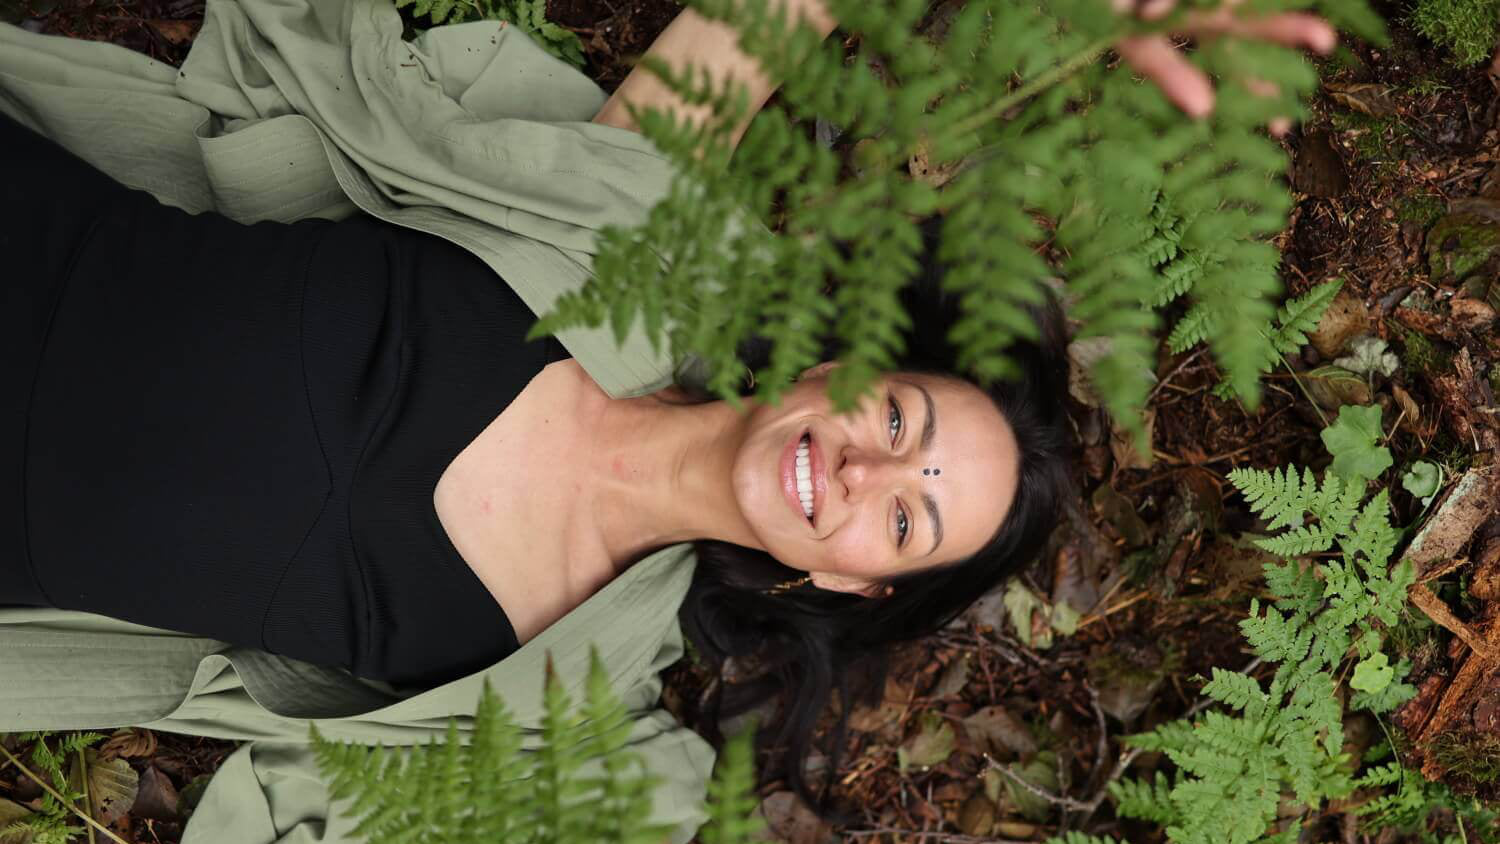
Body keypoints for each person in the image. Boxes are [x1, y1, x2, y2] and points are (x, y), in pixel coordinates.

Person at [0, 0, 1337, 837]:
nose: (866, 470)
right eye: (900, 419)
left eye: (905, 520)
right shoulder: (636, 239)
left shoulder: (580, 713)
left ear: (848, 581)